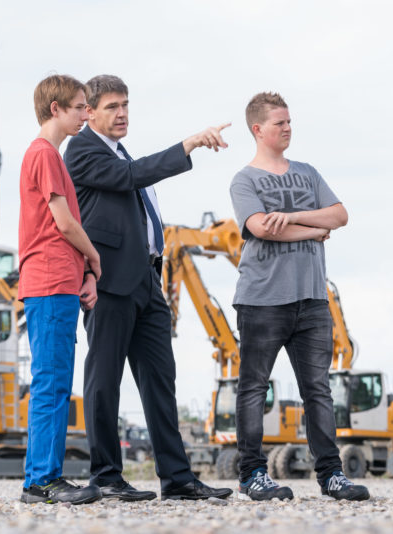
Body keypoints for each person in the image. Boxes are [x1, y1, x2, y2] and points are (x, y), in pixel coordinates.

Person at [64, 74, 232, 501]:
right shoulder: (81, 150)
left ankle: (177, 479)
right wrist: (189, 144)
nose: (122, 114)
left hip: (147, 281)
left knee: (161, 381)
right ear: (89, 113)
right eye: (112, 107)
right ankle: (105, 475)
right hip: (109, 283)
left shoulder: (119, 152)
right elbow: (133, 176)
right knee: (105, 380)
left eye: (126, 105)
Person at [229, 92, 370, 502]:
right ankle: (252, 474)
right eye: (279, 123)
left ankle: (331, 475)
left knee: (318, 390)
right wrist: (313, 228)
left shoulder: (308, 173)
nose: (288, 128)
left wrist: (291, 217)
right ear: (258, 130)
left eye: (290, 122)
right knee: (254, 387)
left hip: (311, 299)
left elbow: (340, 215)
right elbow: (259, 227)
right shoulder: (245, 180)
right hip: (262, 299)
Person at [18, 74, 102, 505]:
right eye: (80, 106)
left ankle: (43, 477)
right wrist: (95, 259)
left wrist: (83, 275)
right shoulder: (46, 154)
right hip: (49, 281)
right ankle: (41, 481)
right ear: (56, 109)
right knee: (51, 383)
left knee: (53, 381)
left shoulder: (50, 156)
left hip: (58, 283)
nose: (87, 114)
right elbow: (66, 223)